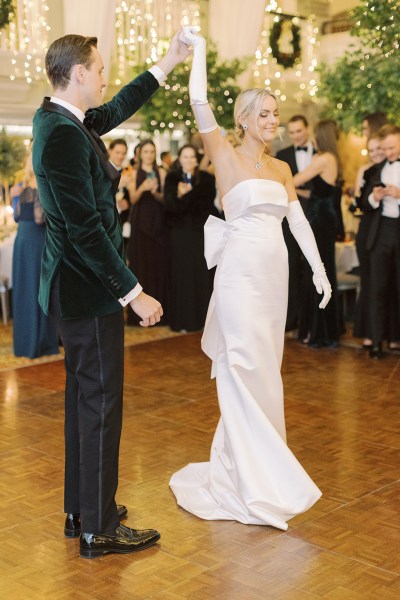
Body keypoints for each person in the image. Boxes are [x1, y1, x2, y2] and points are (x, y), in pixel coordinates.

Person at [32, 32, 189, 559]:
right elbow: (84, 230)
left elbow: (119, 102)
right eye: (99, 70)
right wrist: (134, 292)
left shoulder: (65, 122)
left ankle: (84, 508)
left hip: (75, 292)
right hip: (87, 292)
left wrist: (167, 61)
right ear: (78, 74)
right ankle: (99, 528)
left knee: (85, 402)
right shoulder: (61, 134)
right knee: (100, 404)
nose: (104, 77)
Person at [169, 28, 331, 530]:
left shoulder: (282, 168)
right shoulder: (223, 153)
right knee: (239, 365)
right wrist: (194, 52)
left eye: (276, 115)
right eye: (264, 114)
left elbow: (298, 223)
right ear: (243, 119)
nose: (273, 122)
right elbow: (198, 99)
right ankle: (250, 480)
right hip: (238, 276)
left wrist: (320, 270)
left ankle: (256, 464)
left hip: (274, 277)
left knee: (265, 369)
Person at [291, 120, 342, 348]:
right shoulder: (328, 158)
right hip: (322, 216)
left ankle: (320, 332)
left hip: (321, 220)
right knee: (319, 268)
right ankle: (318, 329)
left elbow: (294, 180)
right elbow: (312, 193)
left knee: (318, 269)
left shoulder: (323, 159)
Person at [164, 144, 218, 332]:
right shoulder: (172, 179)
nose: (188, 160)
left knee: (201, 274)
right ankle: (183, 320)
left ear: (196, 159)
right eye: (184, 157)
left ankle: (203, 320)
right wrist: (180, 195)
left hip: (200, 232)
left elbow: (205, 207)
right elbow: (170, 208)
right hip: (179, 234)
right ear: (179, 160)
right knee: (182, 275)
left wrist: (185, 197)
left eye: (192, 157)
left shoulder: (206, 179)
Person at [358, 124, 400, 359]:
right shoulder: (375, 170)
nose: (388, 153)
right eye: (385, 148)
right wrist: (374, 198)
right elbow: (363, 203)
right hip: (381, 231)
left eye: (392, 147)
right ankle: (376, 342)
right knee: (377, 288)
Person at [12, 157, 59, 358]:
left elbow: (42, 218)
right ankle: (25, 342)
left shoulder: (46, 181)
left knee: (38, 288)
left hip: (38, 240)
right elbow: (16, 217)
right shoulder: (20, 185)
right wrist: (16, 197)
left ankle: (42, 342)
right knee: (23, 288)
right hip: (22, 240)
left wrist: (32, 192)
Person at [276, 115, 314, 332]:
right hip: (289, 220)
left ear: (307, 129)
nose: (296, 136)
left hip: (317, 218)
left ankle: (312, 320)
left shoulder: (321, 154)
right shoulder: (282, 157)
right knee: (290, 267)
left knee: (312, 267)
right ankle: (292, 318)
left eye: (299, 131)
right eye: (292, 132)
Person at [126, 139, 169, 325]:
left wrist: (155, 193)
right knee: (140, 265)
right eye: (146, 152)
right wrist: (143, 188)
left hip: (158, 223)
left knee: (157, 264)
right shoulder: (133, 173)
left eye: (152, 151)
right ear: (140, 154)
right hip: (140, 223)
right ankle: (139, 314)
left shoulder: (161, 172)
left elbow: (165, 198)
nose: (149, 155)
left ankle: (158, 312)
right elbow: (133, 199)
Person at [108, 138, 132, 246]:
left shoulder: (127, 171)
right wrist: (117, 185)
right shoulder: (102, 170)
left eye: (123, 153)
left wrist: (127, 203)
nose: (120, 156)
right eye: (117, 152)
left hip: (122, 220)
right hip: (106, 219)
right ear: (110, 151)